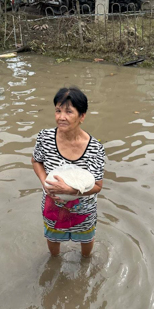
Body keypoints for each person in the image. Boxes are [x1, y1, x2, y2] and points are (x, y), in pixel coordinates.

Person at [32, 87, 105, 258]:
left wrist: (71, 191)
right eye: (58, 110)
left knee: (86, 240)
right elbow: (36, 161)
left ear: (82, 116)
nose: (61, 117)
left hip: (83, 208)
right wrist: (45, 184)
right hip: (52, 204)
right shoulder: (45, 137)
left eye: (68, 112)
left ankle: (85, 264)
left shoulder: (94, 148)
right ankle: (54, 262)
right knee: (52, 238)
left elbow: (97, 186)